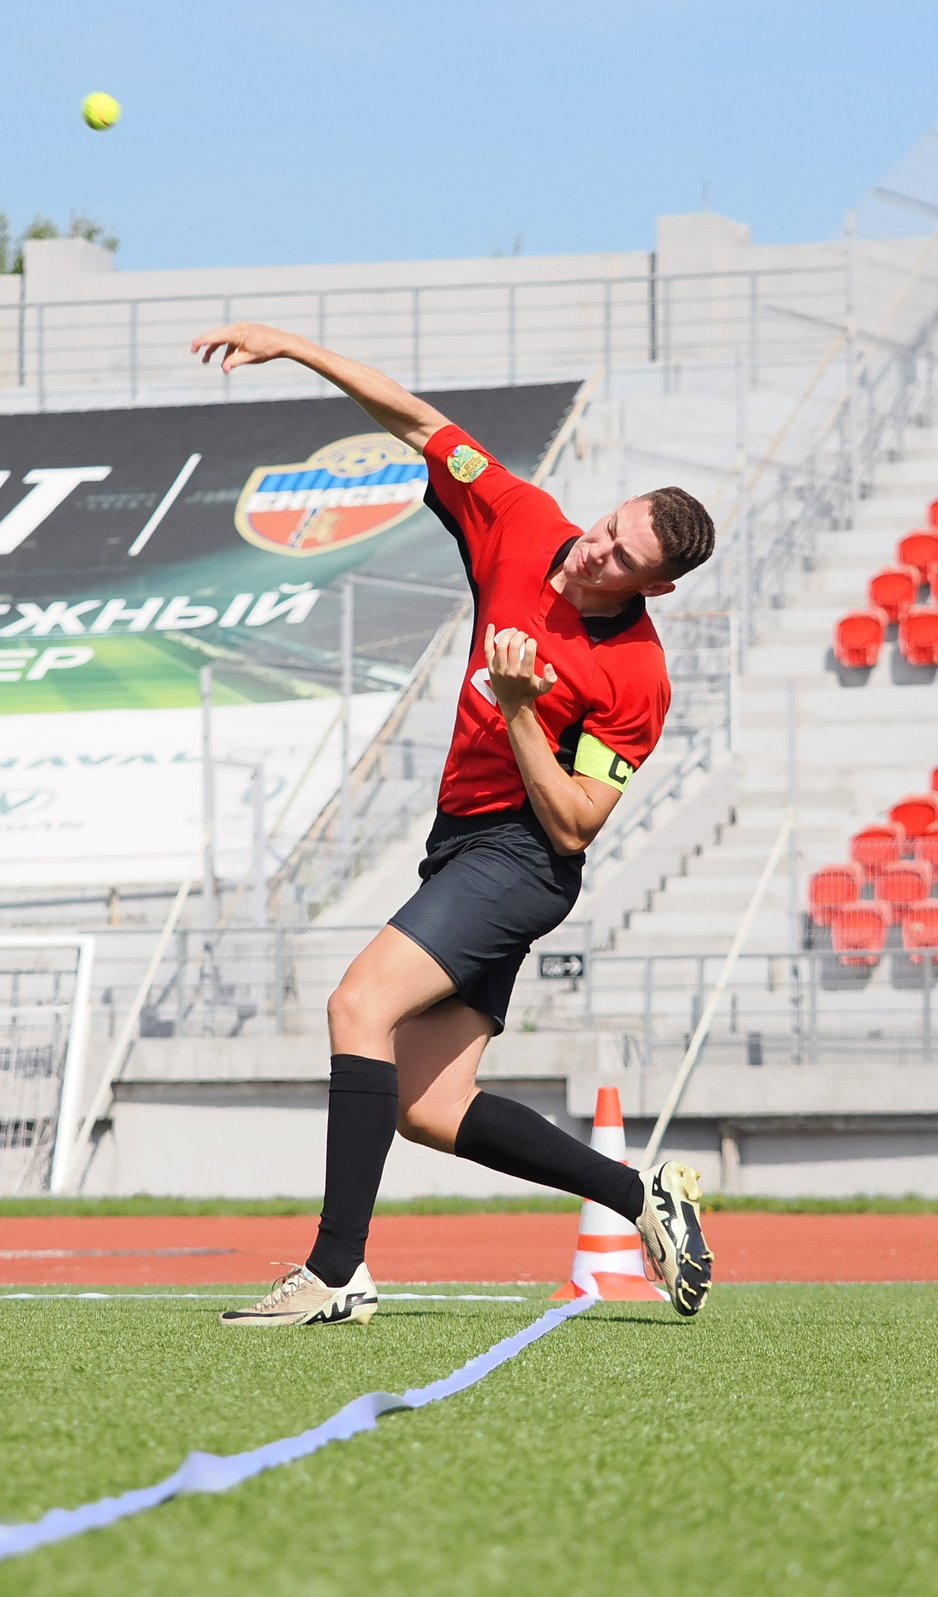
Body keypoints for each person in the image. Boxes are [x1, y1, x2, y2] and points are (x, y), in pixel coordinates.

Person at [186, 323, 717, 1328]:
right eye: (608, 527)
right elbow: (419, 421)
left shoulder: (637, 678)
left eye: (621, 561)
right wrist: (296, 350)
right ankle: (637, 1196)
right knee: (426, 1108)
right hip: (461, 842)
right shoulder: (522, 520)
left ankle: (336, 1271)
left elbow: (573, 830)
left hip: (520, 858)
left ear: (656, 590)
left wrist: (520, 707)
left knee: (356, 1009)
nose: (593, 551)